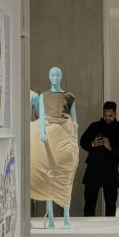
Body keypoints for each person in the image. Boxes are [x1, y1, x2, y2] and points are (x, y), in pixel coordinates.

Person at [29, 67, 79, 228]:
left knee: (64, 177)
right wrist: (42, 132)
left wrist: (74, 142)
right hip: (49, 138)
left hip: (64, 136)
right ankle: (50, 218)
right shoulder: (43, 97)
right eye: (52, 74)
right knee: (48, 175)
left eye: (58, 74)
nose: (55, 77)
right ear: (48, 76)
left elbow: (74, 122)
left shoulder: (69, 96)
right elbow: (42, 116)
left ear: (61, 76)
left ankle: (66, 217)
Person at [79, 102, 119, 217]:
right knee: (89, 205)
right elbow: (82, 142)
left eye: (110, 116)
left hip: (110, 172)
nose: (107, 118)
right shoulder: (94, 126)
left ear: (115, 114)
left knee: (111, 206)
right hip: (93, 170)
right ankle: (88, 231)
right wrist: (92, 144)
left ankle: (110, 232)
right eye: (105, 115)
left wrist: (110, 148)